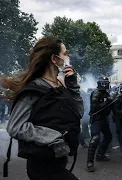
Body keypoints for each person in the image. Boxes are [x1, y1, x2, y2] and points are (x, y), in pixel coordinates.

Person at [2, 36, 83, 180]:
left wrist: (72, 85)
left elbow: (78, 112)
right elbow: (15, 127)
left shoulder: (60, 84)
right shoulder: (35, 89)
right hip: (41, 167)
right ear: (54, 59)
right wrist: (53, 137)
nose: (67, 57)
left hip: (59, 163)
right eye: (64, 53)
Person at [87, 76, 113, 172]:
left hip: (103, 119)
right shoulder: (96, 93)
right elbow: (95, 109)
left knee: (108, 136)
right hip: (96, 119)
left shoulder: (105, 93)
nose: (107, 85)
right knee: (95, 139)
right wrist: (107, 102)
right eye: (105, 83)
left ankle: (100, 155)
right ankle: (90, 162)